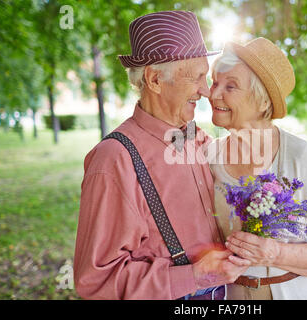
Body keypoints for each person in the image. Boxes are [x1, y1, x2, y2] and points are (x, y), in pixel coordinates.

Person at [73, 11, 250, 300]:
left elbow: (245, 160)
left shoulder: (197, 137)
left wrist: (296, 163)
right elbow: (96, 281)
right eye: (196, 77)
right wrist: (191, 276)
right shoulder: (113, 159)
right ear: (154, 79)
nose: (206, 91)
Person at [207, 37, 307, 299]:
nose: (213, 94)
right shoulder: (208, 156)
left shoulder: (301, 157)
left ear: (263, 102)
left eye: (230, 86)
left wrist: (275, 252)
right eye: (215, 82)